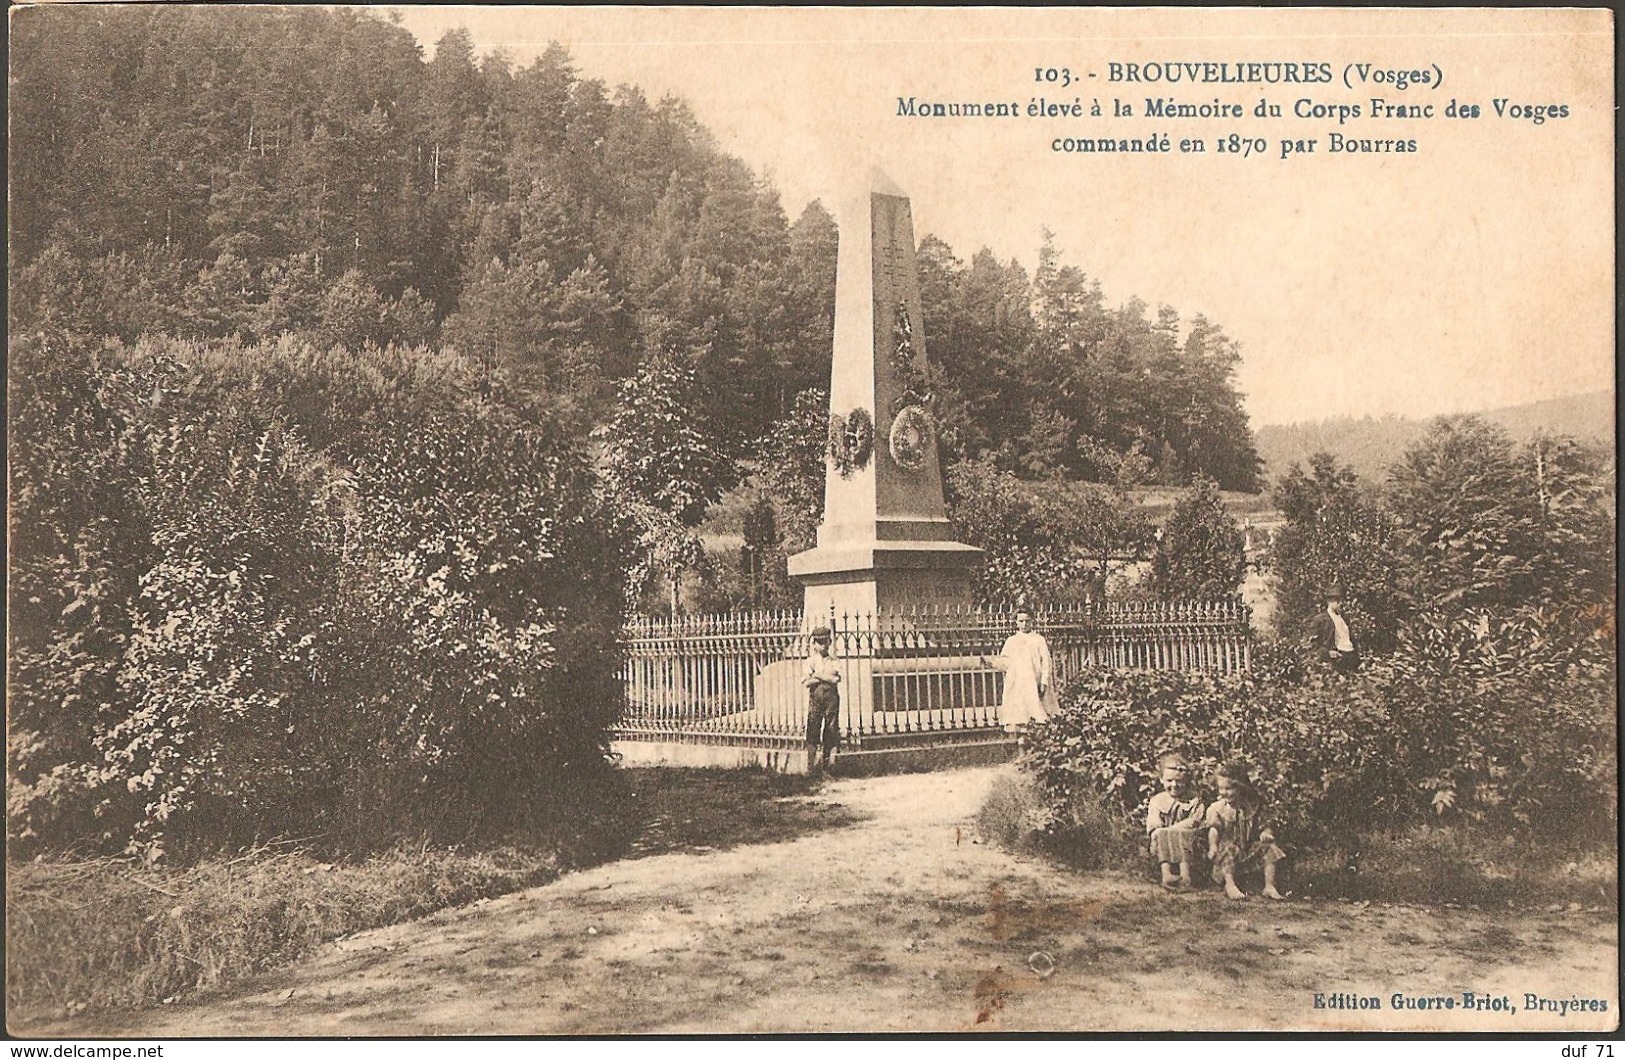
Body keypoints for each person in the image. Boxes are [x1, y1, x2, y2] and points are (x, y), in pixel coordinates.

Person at [1205, 760, 1286, 901]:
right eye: (1221, 789)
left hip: (1246, 853)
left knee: (1269, 848)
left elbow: (1264, 824)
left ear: (1241, 787)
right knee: (1228, 847)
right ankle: (1230, 885)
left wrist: (1266, 833)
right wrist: (1213, 846)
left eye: (1229, 789)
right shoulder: (1217, 808)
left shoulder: (1252, 806)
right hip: (1225, 858)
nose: (1224, 793)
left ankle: (1269, 885)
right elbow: (1214, 830)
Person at [980, 610, 1055, 733]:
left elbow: (1046, 662)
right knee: (1019, 716)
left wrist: (1044, 681)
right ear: (1016, 622)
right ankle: (1021, 746)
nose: (1024, 624)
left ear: (1032, 622)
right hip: (1017, 683)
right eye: (1021, 621)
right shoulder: (1011, 641)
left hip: (1033, 682)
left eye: (1027, 621)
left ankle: (1036, 742)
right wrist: (991, 663)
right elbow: (1005, 662)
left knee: (1037, 714)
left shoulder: (1038, 640)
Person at [1145, 753, 1206, 891]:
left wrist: (1173, 829)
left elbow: (1195, 821)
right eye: (1169, 781)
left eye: (1179, 781)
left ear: (1186, 780)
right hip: (1162, 847)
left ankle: (1185, 877)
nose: (1174, 785)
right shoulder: (1157, 801)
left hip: (1189, 846)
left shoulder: (1194, 800)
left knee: (1182, 833)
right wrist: (1165, 832)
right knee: (1161, 832)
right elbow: (1154, 826)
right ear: (1161, 780)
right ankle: (1166, 874)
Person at [803, 626, 841, 774]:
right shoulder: (810, 661)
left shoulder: (834, 660)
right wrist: (826, 677)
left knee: (830, 729)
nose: (822, 645)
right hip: (816, 698)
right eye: (819, 642)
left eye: (825, 641)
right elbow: (806, 682)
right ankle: (811, 767)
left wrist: (817, 675)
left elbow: (836, 679)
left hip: (831, 698)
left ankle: (826, 766)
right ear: (814, 644)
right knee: (813, 728)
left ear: (830, 642)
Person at [1310, 586, 1359, 674]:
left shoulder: (1344, 619)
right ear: (1329, 601)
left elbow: (1351, 640)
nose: (1340, 603)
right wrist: (1328, 653)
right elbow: (1314, 644)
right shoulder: (1320, 620)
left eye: (1342, 600)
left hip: (1351, 658)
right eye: (1337, 600)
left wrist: (1358, 660)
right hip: (1336, 660)